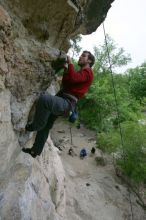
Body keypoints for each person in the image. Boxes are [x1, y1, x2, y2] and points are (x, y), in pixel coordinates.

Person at [22, 51, 95, 158]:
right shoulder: (81, 72)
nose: (80, 57)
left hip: (66, 103)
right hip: (63, 101)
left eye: (83, 56)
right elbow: (67, 82)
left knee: (45, 99)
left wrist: (70, 64)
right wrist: (66, 70)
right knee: (46, 125)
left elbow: (73, 78)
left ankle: (35, 126)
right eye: (80, 55)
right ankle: (35, 150)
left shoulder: (88, 72)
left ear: (89, 61)